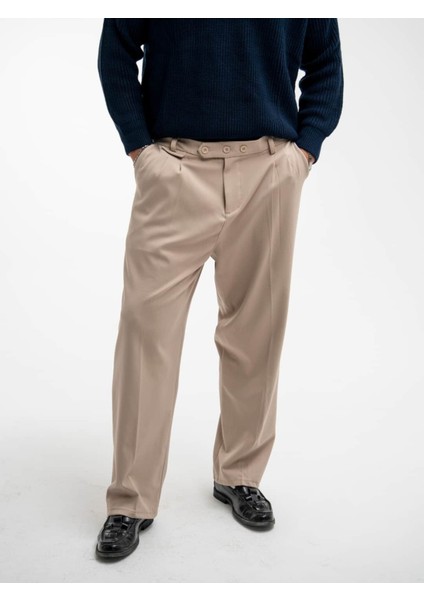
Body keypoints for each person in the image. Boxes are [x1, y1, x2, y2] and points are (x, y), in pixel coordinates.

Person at [95, 18, 343, 560]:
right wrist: (141, 149)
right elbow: (117, 50)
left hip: (270, 171)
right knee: (146, 335)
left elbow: (325, 61)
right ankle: (130, 499)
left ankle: (240, 474)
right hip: (174, 167)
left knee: (257, 334)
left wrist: (303, 153)